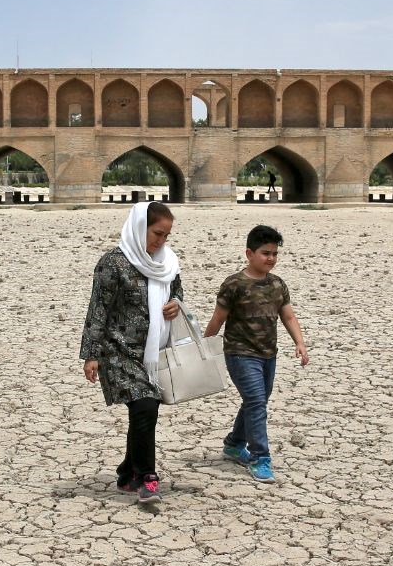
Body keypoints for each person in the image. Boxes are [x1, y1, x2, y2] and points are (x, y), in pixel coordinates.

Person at [80, 201, 184, 504]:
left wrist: (175, 302)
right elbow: (98, 309)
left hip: (152, 350)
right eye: (156, 233)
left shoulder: (167, 262)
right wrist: (91, 354)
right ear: (141, 228)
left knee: (143, 410)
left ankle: (127, 472)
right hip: (118, 351)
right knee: (145, 408)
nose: (160, 241)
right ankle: (147, 478)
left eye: (166, 235)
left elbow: (177, 289)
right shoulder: (113, 263)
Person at [203, 225, 308, 484]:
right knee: (256, 401)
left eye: (274, 254)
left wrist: (300, 342)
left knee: (255, 401)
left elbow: (288, 315)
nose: (270, 258)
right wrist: (204, 348)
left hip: (268, 354)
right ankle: (260, 457)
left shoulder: (277, 284)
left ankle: (234, 443)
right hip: (240, 353)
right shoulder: (234, 284)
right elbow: (218, 318)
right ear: (249, 253)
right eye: (265, 253)